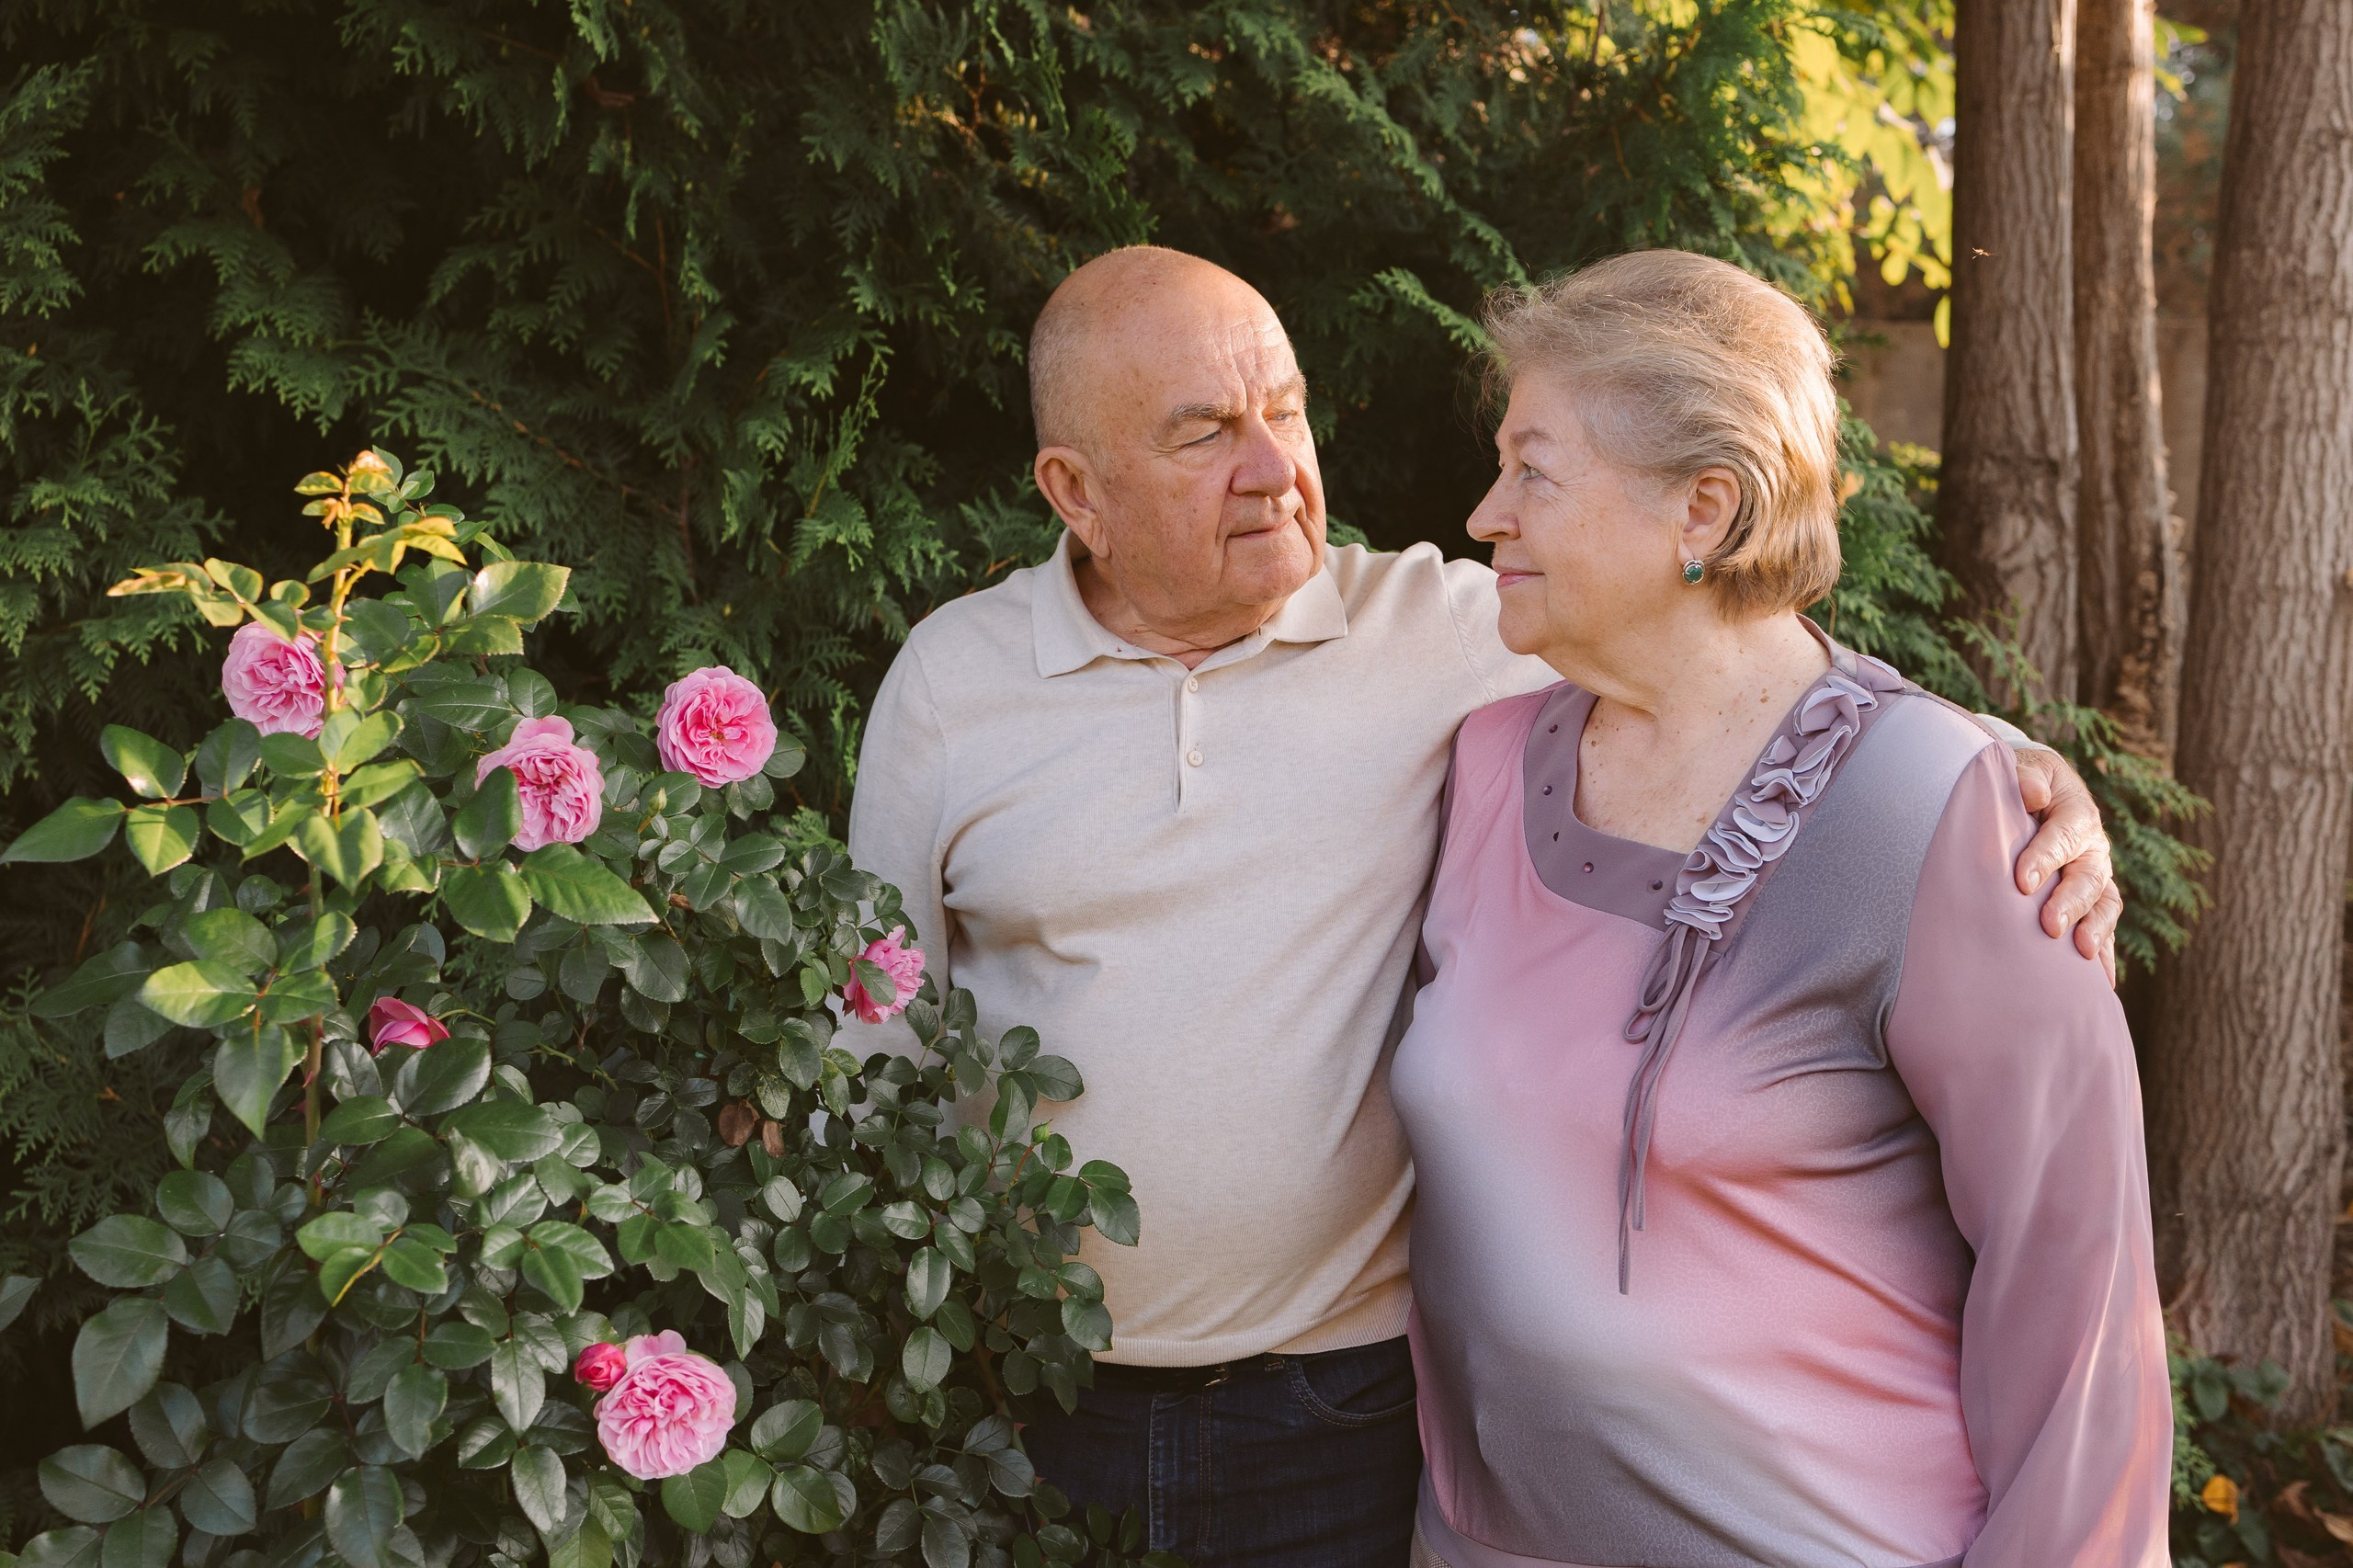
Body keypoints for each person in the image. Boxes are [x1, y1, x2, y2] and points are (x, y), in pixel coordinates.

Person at [847, 245, 2124, 1568]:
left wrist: (2003, 763)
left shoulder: (1448, 636)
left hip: (1341, 1414)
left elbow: (1746, 663)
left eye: (1283, 408)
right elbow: (871, 1044)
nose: (1276, 467)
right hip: (1044, 1403)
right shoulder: (957, 686)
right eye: (1202, 433)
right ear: (1076, 491)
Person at [1393, 250, 2168, 1568]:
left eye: (1534, 468)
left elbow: (2080, 1315)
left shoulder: (1944, 817)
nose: (1483, 514)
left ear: (1702, 507)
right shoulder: (1475, 763)